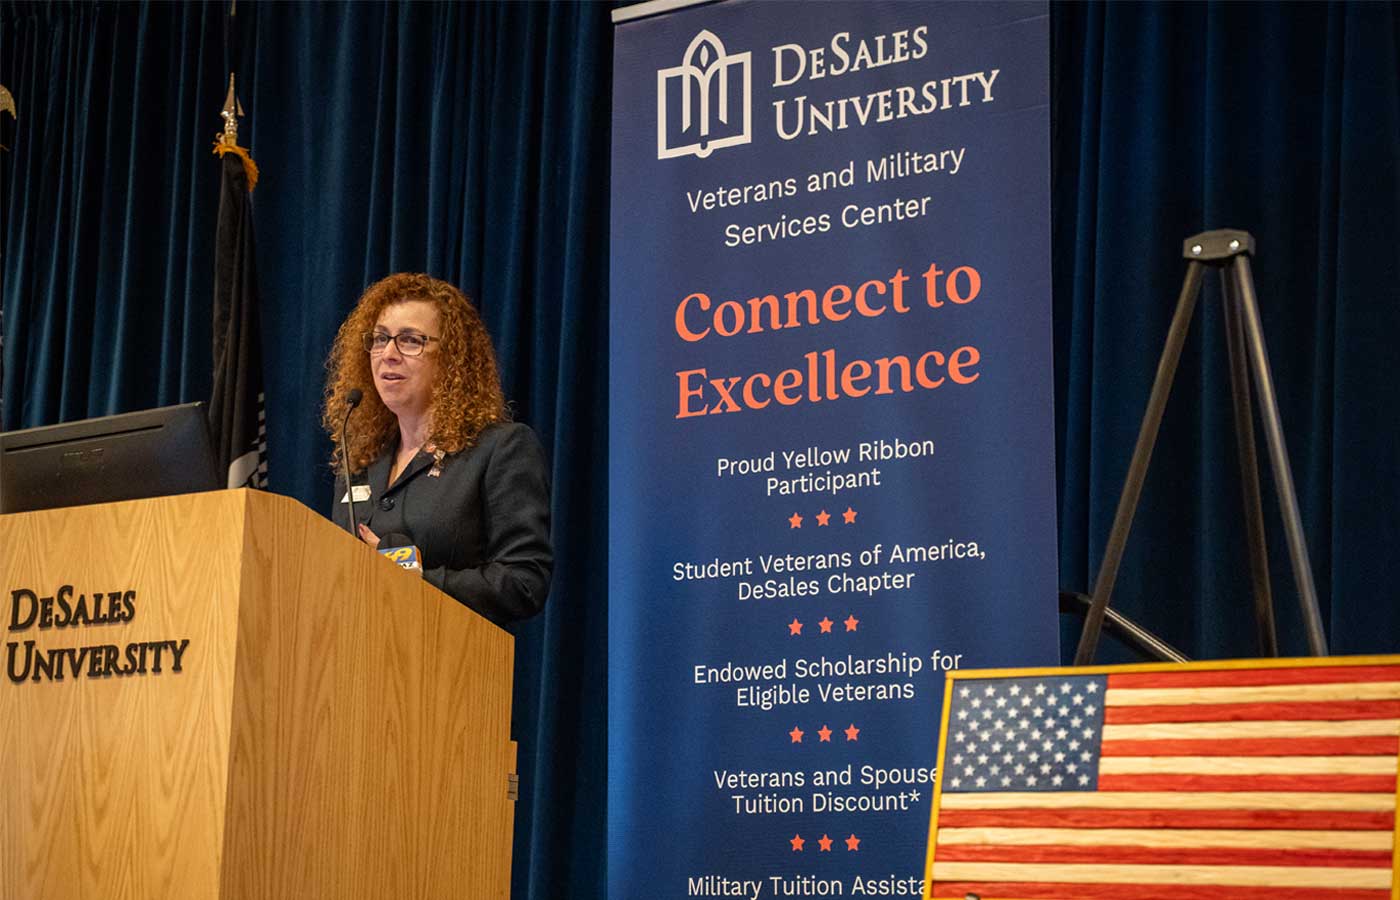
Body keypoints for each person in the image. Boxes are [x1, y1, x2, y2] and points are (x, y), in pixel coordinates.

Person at [323, 272, 551, 625]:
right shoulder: (362, 459)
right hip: (354, 662)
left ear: (452, 359)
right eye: (380, 339)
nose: (389, 354)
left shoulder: (499, 449)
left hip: (448, 665)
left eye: (410, 340)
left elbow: (524, 583)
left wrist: (417, 580)